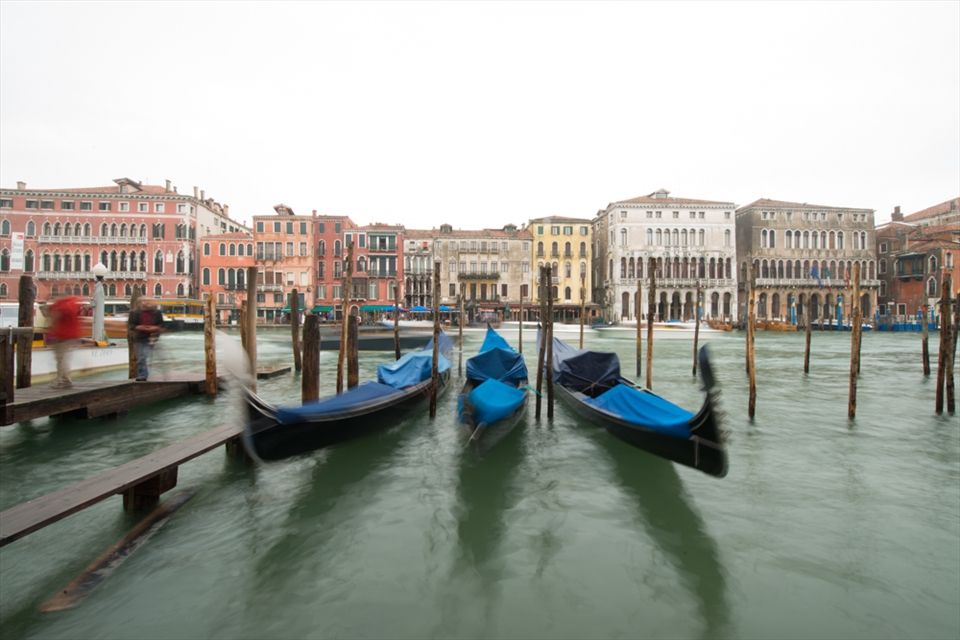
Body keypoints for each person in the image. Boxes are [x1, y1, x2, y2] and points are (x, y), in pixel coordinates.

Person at [46, 293, 82, 389]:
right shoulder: (73, 303)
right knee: (64, 358)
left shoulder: (61, 305)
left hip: (62, 336)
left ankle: (62, 381)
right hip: (71, 336)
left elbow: (55, 318)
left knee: (61, 359)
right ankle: (64, 380)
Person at [128, 299, 165, 381]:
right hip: (140, 337)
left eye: (148, 301)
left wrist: (155, 328)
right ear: (140, 303)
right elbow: (130, 325)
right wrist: (138, 327)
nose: (146, 303)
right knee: (141, 357)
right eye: (144, 301)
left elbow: (161, 324)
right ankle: (143, 376)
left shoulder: (157, 312)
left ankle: (162, 375)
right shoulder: (134, 313)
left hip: (153, 336)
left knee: (157, 357)